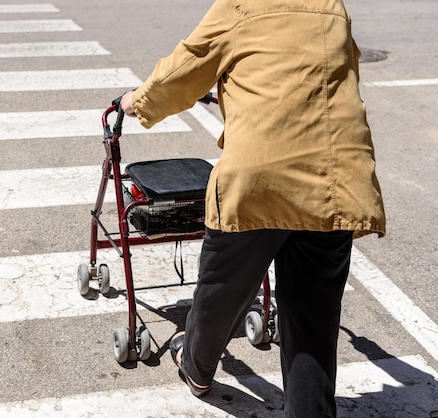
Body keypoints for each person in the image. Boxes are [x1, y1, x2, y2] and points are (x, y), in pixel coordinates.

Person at [119, 0, 386, 416]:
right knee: (313, 324)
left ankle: (196, 367)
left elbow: (187, 66)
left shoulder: (240, 5)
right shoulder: (333, 7)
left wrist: (137, 101)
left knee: (220, 292)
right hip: (335, 181)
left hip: (259, 181)